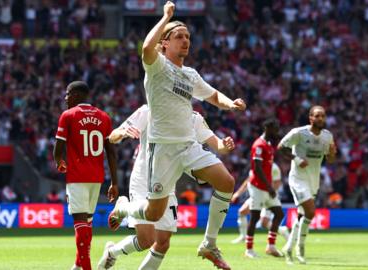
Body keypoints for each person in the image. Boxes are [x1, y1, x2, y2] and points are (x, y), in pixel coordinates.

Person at [108, 3, 246, 269]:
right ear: (164, 44)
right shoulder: (157, 66)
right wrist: (166, 17)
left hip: (187, 146)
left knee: (226, 182)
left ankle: (209, 244)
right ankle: (125, 207)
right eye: (179, 37)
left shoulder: (190, 75)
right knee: (152, 214)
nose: (186, 41)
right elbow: (146, 49)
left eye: (188, 37)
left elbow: (213, 95)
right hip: (163, 151)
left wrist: (231, 104)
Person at [99, 105, 235, 270]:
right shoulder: (149, 111)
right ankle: (122, 214)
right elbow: (112, 136)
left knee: (162, 242)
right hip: (143, 181)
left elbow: (217, 144)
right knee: (146, 240)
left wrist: (224, 146)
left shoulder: (194, 118)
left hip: (167, 184)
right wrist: (121, 133)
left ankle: (112, 252)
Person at [53, 81, 119, 270]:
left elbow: (58, 148)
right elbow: (111, 152)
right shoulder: (104, 117)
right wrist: (114, 182)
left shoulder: (68, 116)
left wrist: (59, 161)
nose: (65, 98)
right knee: (87, 224)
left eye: (67, 94)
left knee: (80, 224)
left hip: (77, 177)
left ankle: (86, 268)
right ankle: (77, 265)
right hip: (96, 177)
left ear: (76, 94)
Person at [277, 105, 336, 264]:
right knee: (310, 212)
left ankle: (291, 249)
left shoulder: (327, 136)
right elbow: (280, 148)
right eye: (317, 116)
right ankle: (298, 248)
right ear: (310, 118)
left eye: (322, 116)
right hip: (297, 179)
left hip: (313, 181)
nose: (320, 119)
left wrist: (332, 153)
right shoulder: (299, 133)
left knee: (303, 215)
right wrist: (297, 159)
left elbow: (330, 159)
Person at [238, 119, 285, 258]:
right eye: (275, 129)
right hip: (257, 186)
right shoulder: (258, 145)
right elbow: (257, 169)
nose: (277, 132)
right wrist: (269, 186)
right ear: (267, 128)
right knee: (255, 217)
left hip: (267, 187)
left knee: (279, 214)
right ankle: (249, 250)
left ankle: (271, 246)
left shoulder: (269, 145)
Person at [230, 163, 289, 245]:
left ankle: (282, 230)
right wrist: (237, 193)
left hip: (269, 196)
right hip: (257, 195)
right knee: (242, 211)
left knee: (264, 223)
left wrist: (267, 195)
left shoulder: (274, 167)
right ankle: (243, 236)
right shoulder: (256, 166)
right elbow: (249, 180)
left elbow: (277, 183)